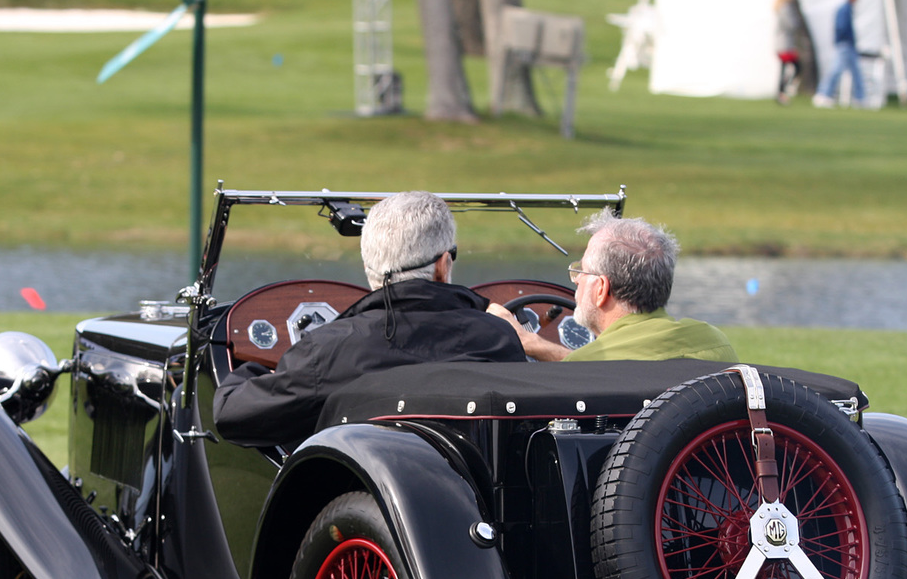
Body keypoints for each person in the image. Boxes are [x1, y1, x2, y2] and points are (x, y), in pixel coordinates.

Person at [212, 191, 526, 448]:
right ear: (443, 265)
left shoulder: (329, 350)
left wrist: (255, 370)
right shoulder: (497, 338)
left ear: (370, 266)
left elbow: (232, 414)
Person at [488, 211, 736, 363]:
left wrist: (524, 341)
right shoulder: (715, 344)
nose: (575, 280)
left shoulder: (590, 366)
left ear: (601, 289)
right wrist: (535, 344)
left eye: (581, 271)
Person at [814, 0, 864, 108]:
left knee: (856, 71)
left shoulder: (847, 9)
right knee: (836, 70)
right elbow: (841, 27)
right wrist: (846, 39)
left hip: (847, 44)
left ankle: (860, 98)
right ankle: (823, 94)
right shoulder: (845, 9)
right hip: (845, 44)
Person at [774, 0, 803, 105]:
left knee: (784, 69)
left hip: (781, 44)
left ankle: (781, 93)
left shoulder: (780, 7)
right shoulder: (785, 8)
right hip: (785, 44)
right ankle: (784, 91)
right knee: (796, 67)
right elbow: (792, 25)